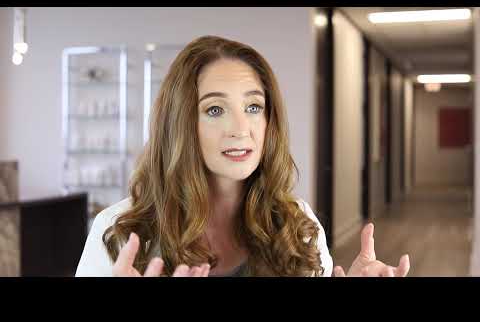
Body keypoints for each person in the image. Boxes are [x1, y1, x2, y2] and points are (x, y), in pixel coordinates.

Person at [75, 35, 410, 277]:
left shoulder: (297, 226)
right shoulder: (118, 232)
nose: (240, 128)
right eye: (215, 109)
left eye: (253, 107)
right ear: (180, 124)